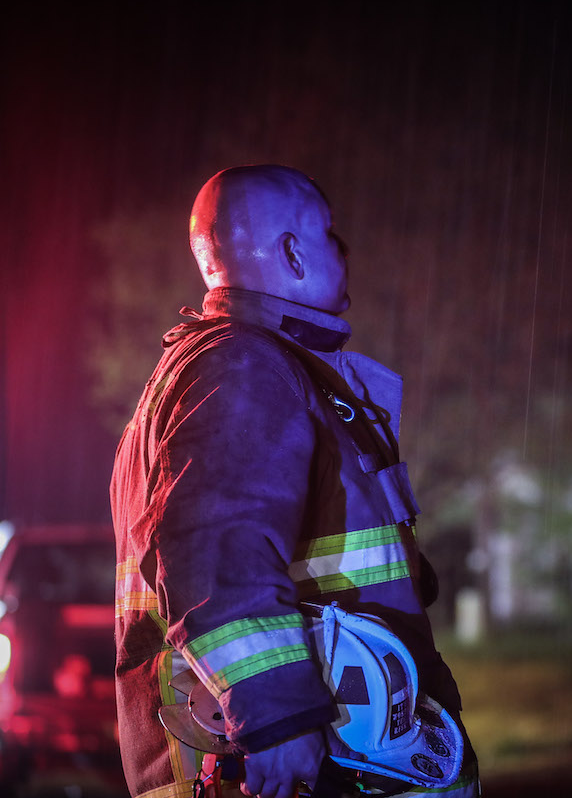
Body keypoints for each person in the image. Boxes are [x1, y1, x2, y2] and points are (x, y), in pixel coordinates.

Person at [110, 165, 479, 798]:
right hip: (295, 763)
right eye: (331, 234)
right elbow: (213, 547)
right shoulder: (245, 366)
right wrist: (277, 717)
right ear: (291, 252)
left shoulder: (220, 367)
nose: (345, 251)